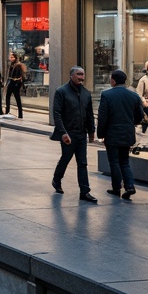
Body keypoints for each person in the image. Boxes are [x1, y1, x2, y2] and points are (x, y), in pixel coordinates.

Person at [52, 66, 97, 202]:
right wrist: (63, 133)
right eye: (78, 74)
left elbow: (89, 114)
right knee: (66, 158)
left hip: (81, 133)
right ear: (71, 75)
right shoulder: (61, 92)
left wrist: (91, 131)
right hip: (68, 133)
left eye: (83, 74)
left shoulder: (86, 93)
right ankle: (56, 179)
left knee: (82, 163)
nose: (81, 77)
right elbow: (57, 113)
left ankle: (85, 191)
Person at [97, 68, 144, 200]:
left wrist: (100, 133)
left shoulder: (106, 95)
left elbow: (102, 117)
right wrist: (131, 123)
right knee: (124, 161)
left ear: (113, 81)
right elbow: (140, 116)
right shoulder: (134, 96)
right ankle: (129, 186)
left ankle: (116, 187)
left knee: (114, 162)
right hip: (128, 133)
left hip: (112, 134)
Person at [5, 52, 26, 118]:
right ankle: (7, 111)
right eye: (10, 57)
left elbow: (20, 75)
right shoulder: (11, 65)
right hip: (11, 82)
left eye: (12, 57)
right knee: (7, 97)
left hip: (16, 83)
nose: (11, 58)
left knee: (17, 98)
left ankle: (20, 114)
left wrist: (18, 82)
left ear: (15, 58)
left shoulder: (18, 65)